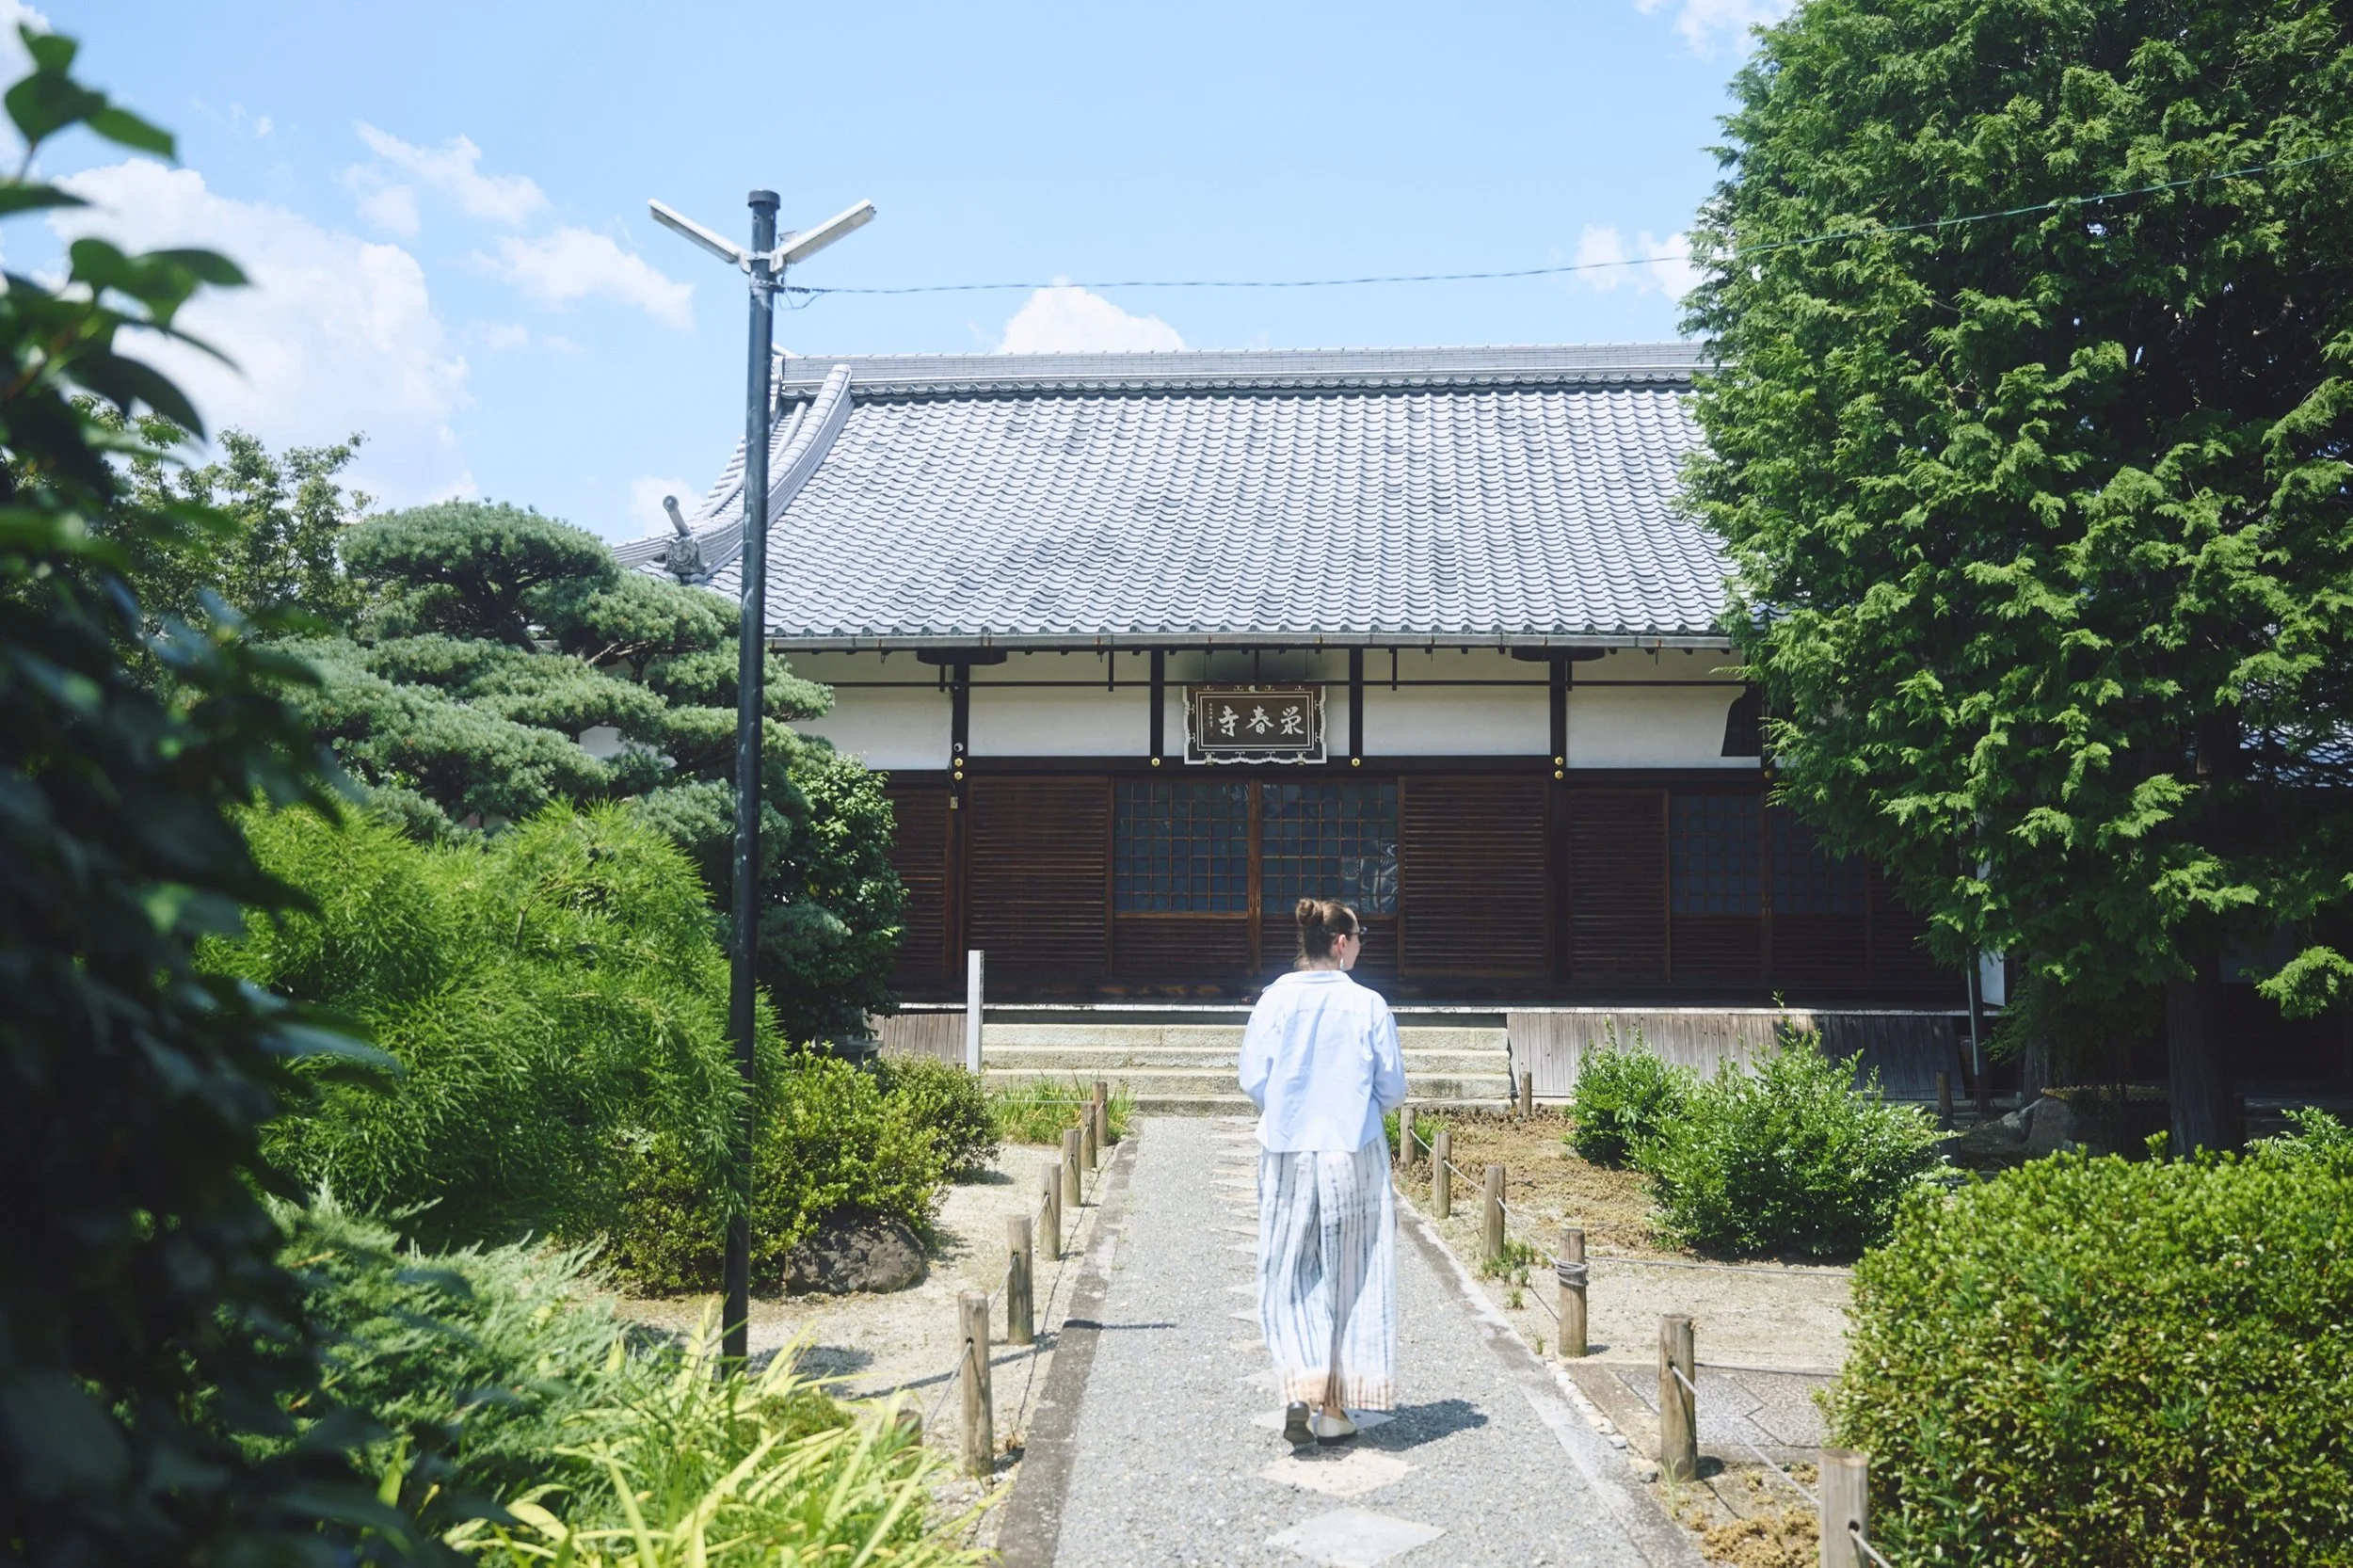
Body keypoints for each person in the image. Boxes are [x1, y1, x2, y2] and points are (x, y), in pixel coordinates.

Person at [1240, 897, 1409, 1446]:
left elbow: (1254, 1079)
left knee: (1286, 1266)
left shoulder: (1273, 1001)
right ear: (1340, 943)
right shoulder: (1367, 1005)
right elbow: (1392, 1089)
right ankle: (1333, 1408)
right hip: (1351, 1149)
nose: (1360, 946)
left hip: (1287, 1148)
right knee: (1350, 1275)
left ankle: (1297, 1382)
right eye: (1359, 937)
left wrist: (1290, 1106)